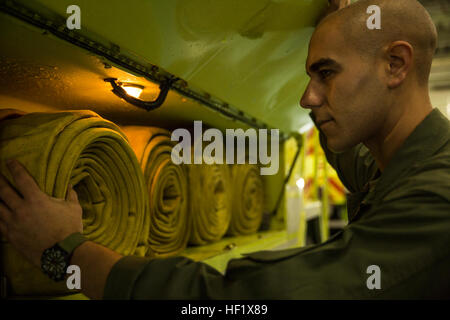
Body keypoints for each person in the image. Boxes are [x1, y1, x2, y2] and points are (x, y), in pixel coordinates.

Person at [0, 0, 449, 299]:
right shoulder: (399, 164)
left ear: (396, 65)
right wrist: (334, 28)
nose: (306, 98)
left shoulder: (435, 199)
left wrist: (67, 249)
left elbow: (240, 302)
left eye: (327, 73)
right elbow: (350, 154)